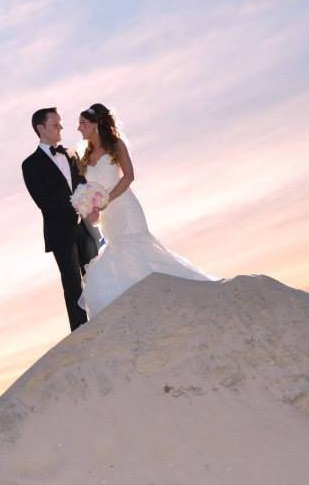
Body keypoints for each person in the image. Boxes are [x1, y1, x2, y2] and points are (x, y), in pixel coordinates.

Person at [76, 103, 214, 317]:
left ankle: (174, 294)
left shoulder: (116, 145)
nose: (79, 128)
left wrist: (107, 199)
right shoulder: (84, 156)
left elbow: (129, 176)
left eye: (83, 123)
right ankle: (143, 309)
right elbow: (89, 189)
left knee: (138, 249)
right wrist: (92, 207)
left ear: (95, 125)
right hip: (108, 218)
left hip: (125, 207)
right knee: (120, 256)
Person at [22, 107, 99, 331]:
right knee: (73, 284)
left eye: (60, 124)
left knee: (96, 274)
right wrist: (76, 208)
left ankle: (103, 317)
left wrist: (90, 206)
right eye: (55, 125)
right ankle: (81, 331)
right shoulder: (30, 165)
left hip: (85, 227)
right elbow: (44, 201)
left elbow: (82, 185)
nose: (61, 129)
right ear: (41, 128)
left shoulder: (70, 154)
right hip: (60, 231)